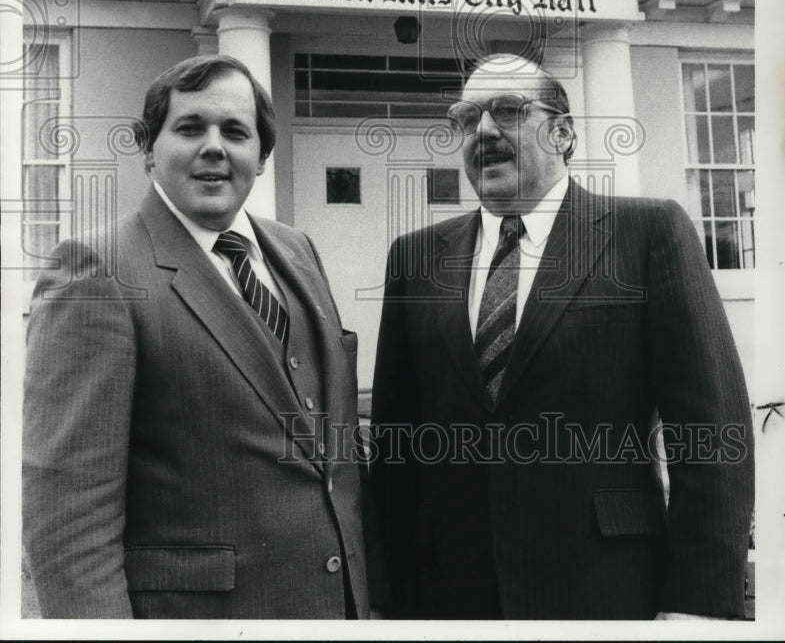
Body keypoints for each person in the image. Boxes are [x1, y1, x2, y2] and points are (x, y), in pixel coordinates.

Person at [371, 53, 753, 620]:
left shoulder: (646, 234)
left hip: (605, 589)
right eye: (466, 116)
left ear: (563, 132)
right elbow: (395, 445)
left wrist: (697, 607)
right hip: (450, 596)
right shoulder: (416, 257)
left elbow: (712, 430)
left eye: (507, 111)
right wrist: (385, 599)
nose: (484, 131)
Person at [23, 54, 369, 619]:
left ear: (261, 157)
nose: (214, 147)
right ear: (147, 149)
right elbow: (69, 519)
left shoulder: (298, 251)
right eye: (190, 128)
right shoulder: (96, 270)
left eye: (235, 132)